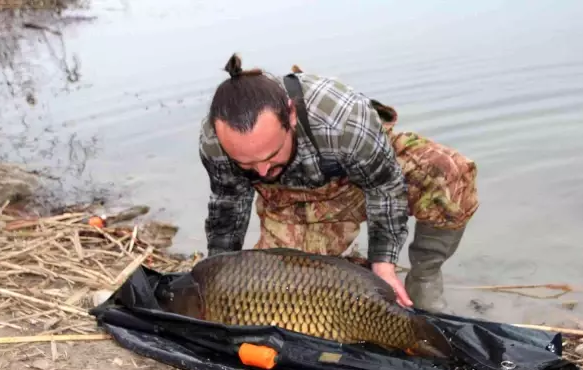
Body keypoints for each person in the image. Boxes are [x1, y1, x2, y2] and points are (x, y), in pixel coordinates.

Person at [198, 53, 479, 312]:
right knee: (284, 291)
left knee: (448, 173)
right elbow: (229, 205)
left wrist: (384, 263)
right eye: (247, 164)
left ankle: (424, 279)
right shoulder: (215, 143)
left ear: (291, 115)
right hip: (293, 200)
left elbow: (384, 186)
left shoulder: (343, 121)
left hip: (369, 173)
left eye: (271, 155)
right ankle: (356, 276)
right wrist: (218, 273)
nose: (260, 171)